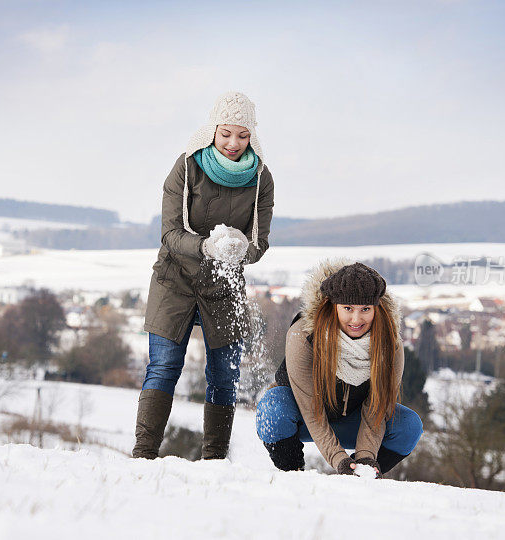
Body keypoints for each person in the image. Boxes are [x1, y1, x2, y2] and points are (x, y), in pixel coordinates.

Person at [133, 91, 274, 460]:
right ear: (212, 129)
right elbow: (169, 233)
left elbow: (260, 244)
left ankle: (215, 460)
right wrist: (207, 247)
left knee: (225, 377)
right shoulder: (186, 166)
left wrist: (240, 248)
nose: (233, 143)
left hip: (224, 286)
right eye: (226, 133)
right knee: (164, 366)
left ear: (252, 135)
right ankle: (143, 455)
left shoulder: (261, 178)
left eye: (243, 135)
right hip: (174, 280)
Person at [256, 260, 422, 476]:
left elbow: (377, 408)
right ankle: (293, 475)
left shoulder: (391, 345)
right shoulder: (304, 335)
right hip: (302, 418)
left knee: (409, 426)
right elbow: (311, 409)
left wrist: (364, 458)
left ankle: (362, 476)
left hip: (355, 420)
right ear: (332, 307)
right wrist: (338, 459)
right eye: (347, 308)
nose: (356, 319)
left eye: (365, 309)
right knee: (272, 409)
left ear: (376, 308)